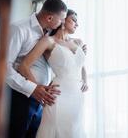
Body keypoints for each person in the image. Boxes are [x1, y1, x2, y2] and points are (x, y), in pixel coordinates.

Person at [17, 9, 88, 138]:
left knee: (74, 130)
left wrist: (85, 81)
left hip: (77, 96)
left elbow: (81, 66)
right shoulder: (48, 41)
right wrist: (38, 88)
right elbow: (24, 66)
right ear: (63, 19)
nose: (77, 24)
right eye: (74, 20)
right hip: (58, 95)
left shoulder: (78, 42)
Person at [6, 0, 67, 138]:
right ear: (50, 18)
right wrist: (32, 88)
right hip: (19, 94)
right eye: (61, 19)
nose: (62, 23)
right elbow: (3, 68)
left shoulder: (49, 33)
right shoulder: (19, 29)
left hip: (39, 97)